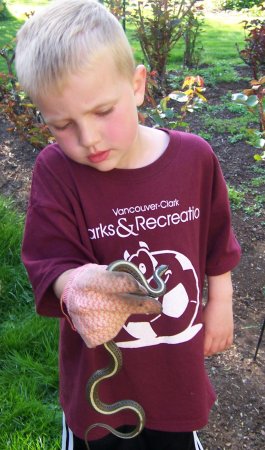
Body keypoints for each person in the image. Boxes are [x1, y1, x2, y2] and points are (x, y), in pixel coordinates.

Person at [15, 1, 241, 449]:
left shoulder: (195, 158)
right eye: (62, 125)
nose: (88, 138)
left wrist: (221, 303)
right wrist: (73, 284)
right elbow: (48, 260)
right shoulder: (56, 171)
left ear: (137, 86)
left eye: (102, 111)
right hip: (98, 384)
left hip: (176, 376)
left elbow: (217, 241)